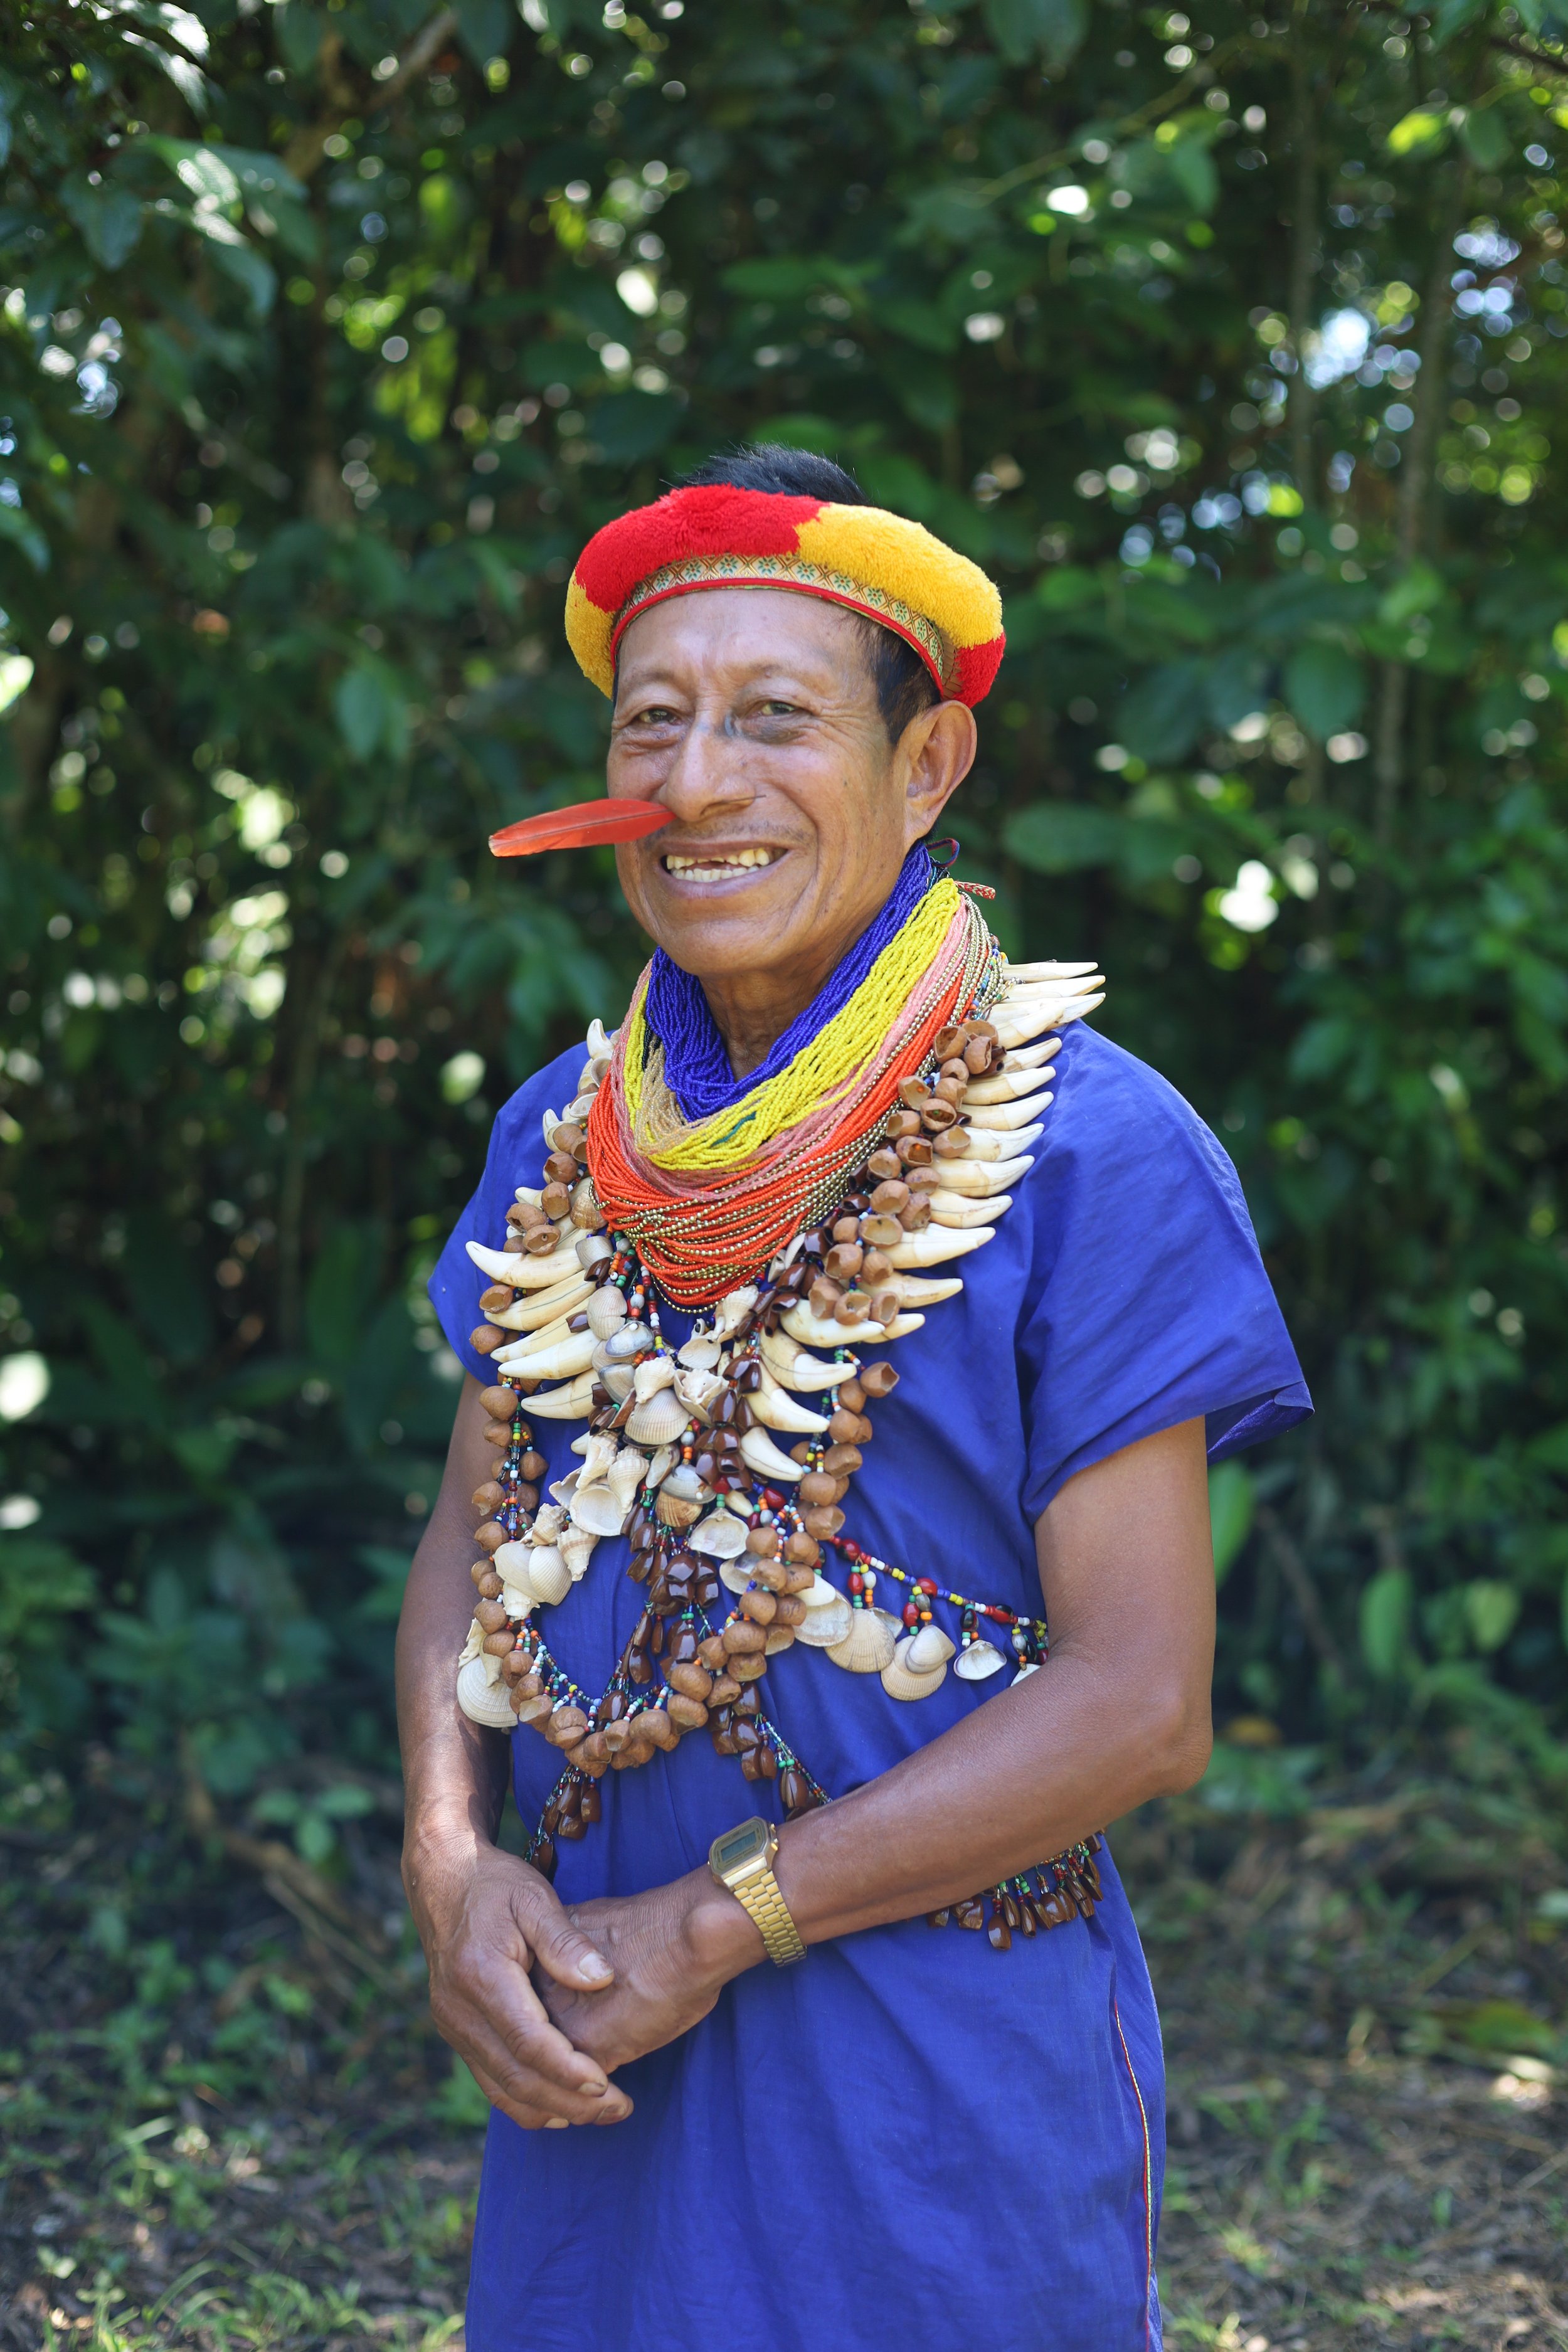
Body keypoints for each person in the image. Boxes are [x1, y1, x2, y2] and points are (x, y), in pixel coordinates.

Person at [397, 445, 1310, 2352]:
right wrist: (451, 1856)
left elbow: (1140, 1705)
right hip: (590, 2035)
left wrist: (716, 1926)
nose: (699, 782)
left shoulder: (1091, 1151)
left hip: (926, 2069)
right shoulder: (560, 1141)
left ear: (927, 770)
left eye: (776, 720)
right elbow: (468, 1530)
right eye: (655, 724)